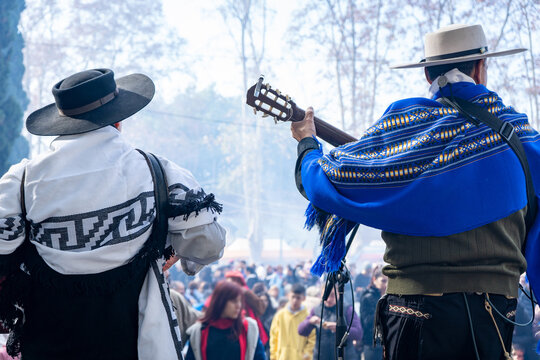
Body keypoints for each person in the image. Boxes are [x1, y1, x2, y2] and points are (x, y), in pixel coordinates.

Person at [291, 24, 540, 359]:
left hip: (413, 312)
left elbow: (329, 178)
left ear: (427, 74)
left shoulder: (401, 130)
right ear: (480, 68)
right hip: (495, 313)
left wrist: (308, 143)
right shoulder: (520, 137)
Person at [0, 69, 226, 359]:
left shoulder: (19, 183)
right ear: (118, 120)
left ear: (62, 122)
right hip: (134, 346)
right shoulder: (159, 174)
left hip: (47, 346)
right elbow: (210, 243)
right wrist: (170, 250)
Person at [186, 280, 266, 360]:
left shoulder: (248, 328)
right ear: (221, 302)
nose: (239, 306)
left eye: (240, 301)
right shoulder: (199, 331)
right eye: (234, 301)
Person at [298, 287, 362, 360]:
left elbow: (358, 333)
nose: (328, 299)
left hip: (344, 355)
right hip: (321, 355)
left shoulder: (347, 309)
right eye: (326, 295)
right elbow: (301, 331)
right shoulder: (316, 310)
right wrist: (310, 322)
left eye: (332, 295)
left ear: (338, 295)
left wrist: (339, 328)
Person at [269, 283, 315, 360]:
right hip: (282, 357)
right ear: (288, 296)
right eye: (293, 297)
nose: (295, 300)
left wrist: (306, 354)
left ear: (303, 298)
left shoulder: (307, 317)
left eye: (298, 298)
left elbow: (312, 338)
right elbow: (274, 337)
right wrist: (273, 356)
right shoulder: (280, 315)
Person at [360, 265, 387, 360]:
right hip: (372, 344)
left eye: (388, 281)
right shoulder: (367, 297)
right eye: (383, 281)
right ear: (374, 279)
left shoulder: (388, 296)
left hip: (386, 343)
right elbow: (368, 322)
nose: (386, 285)